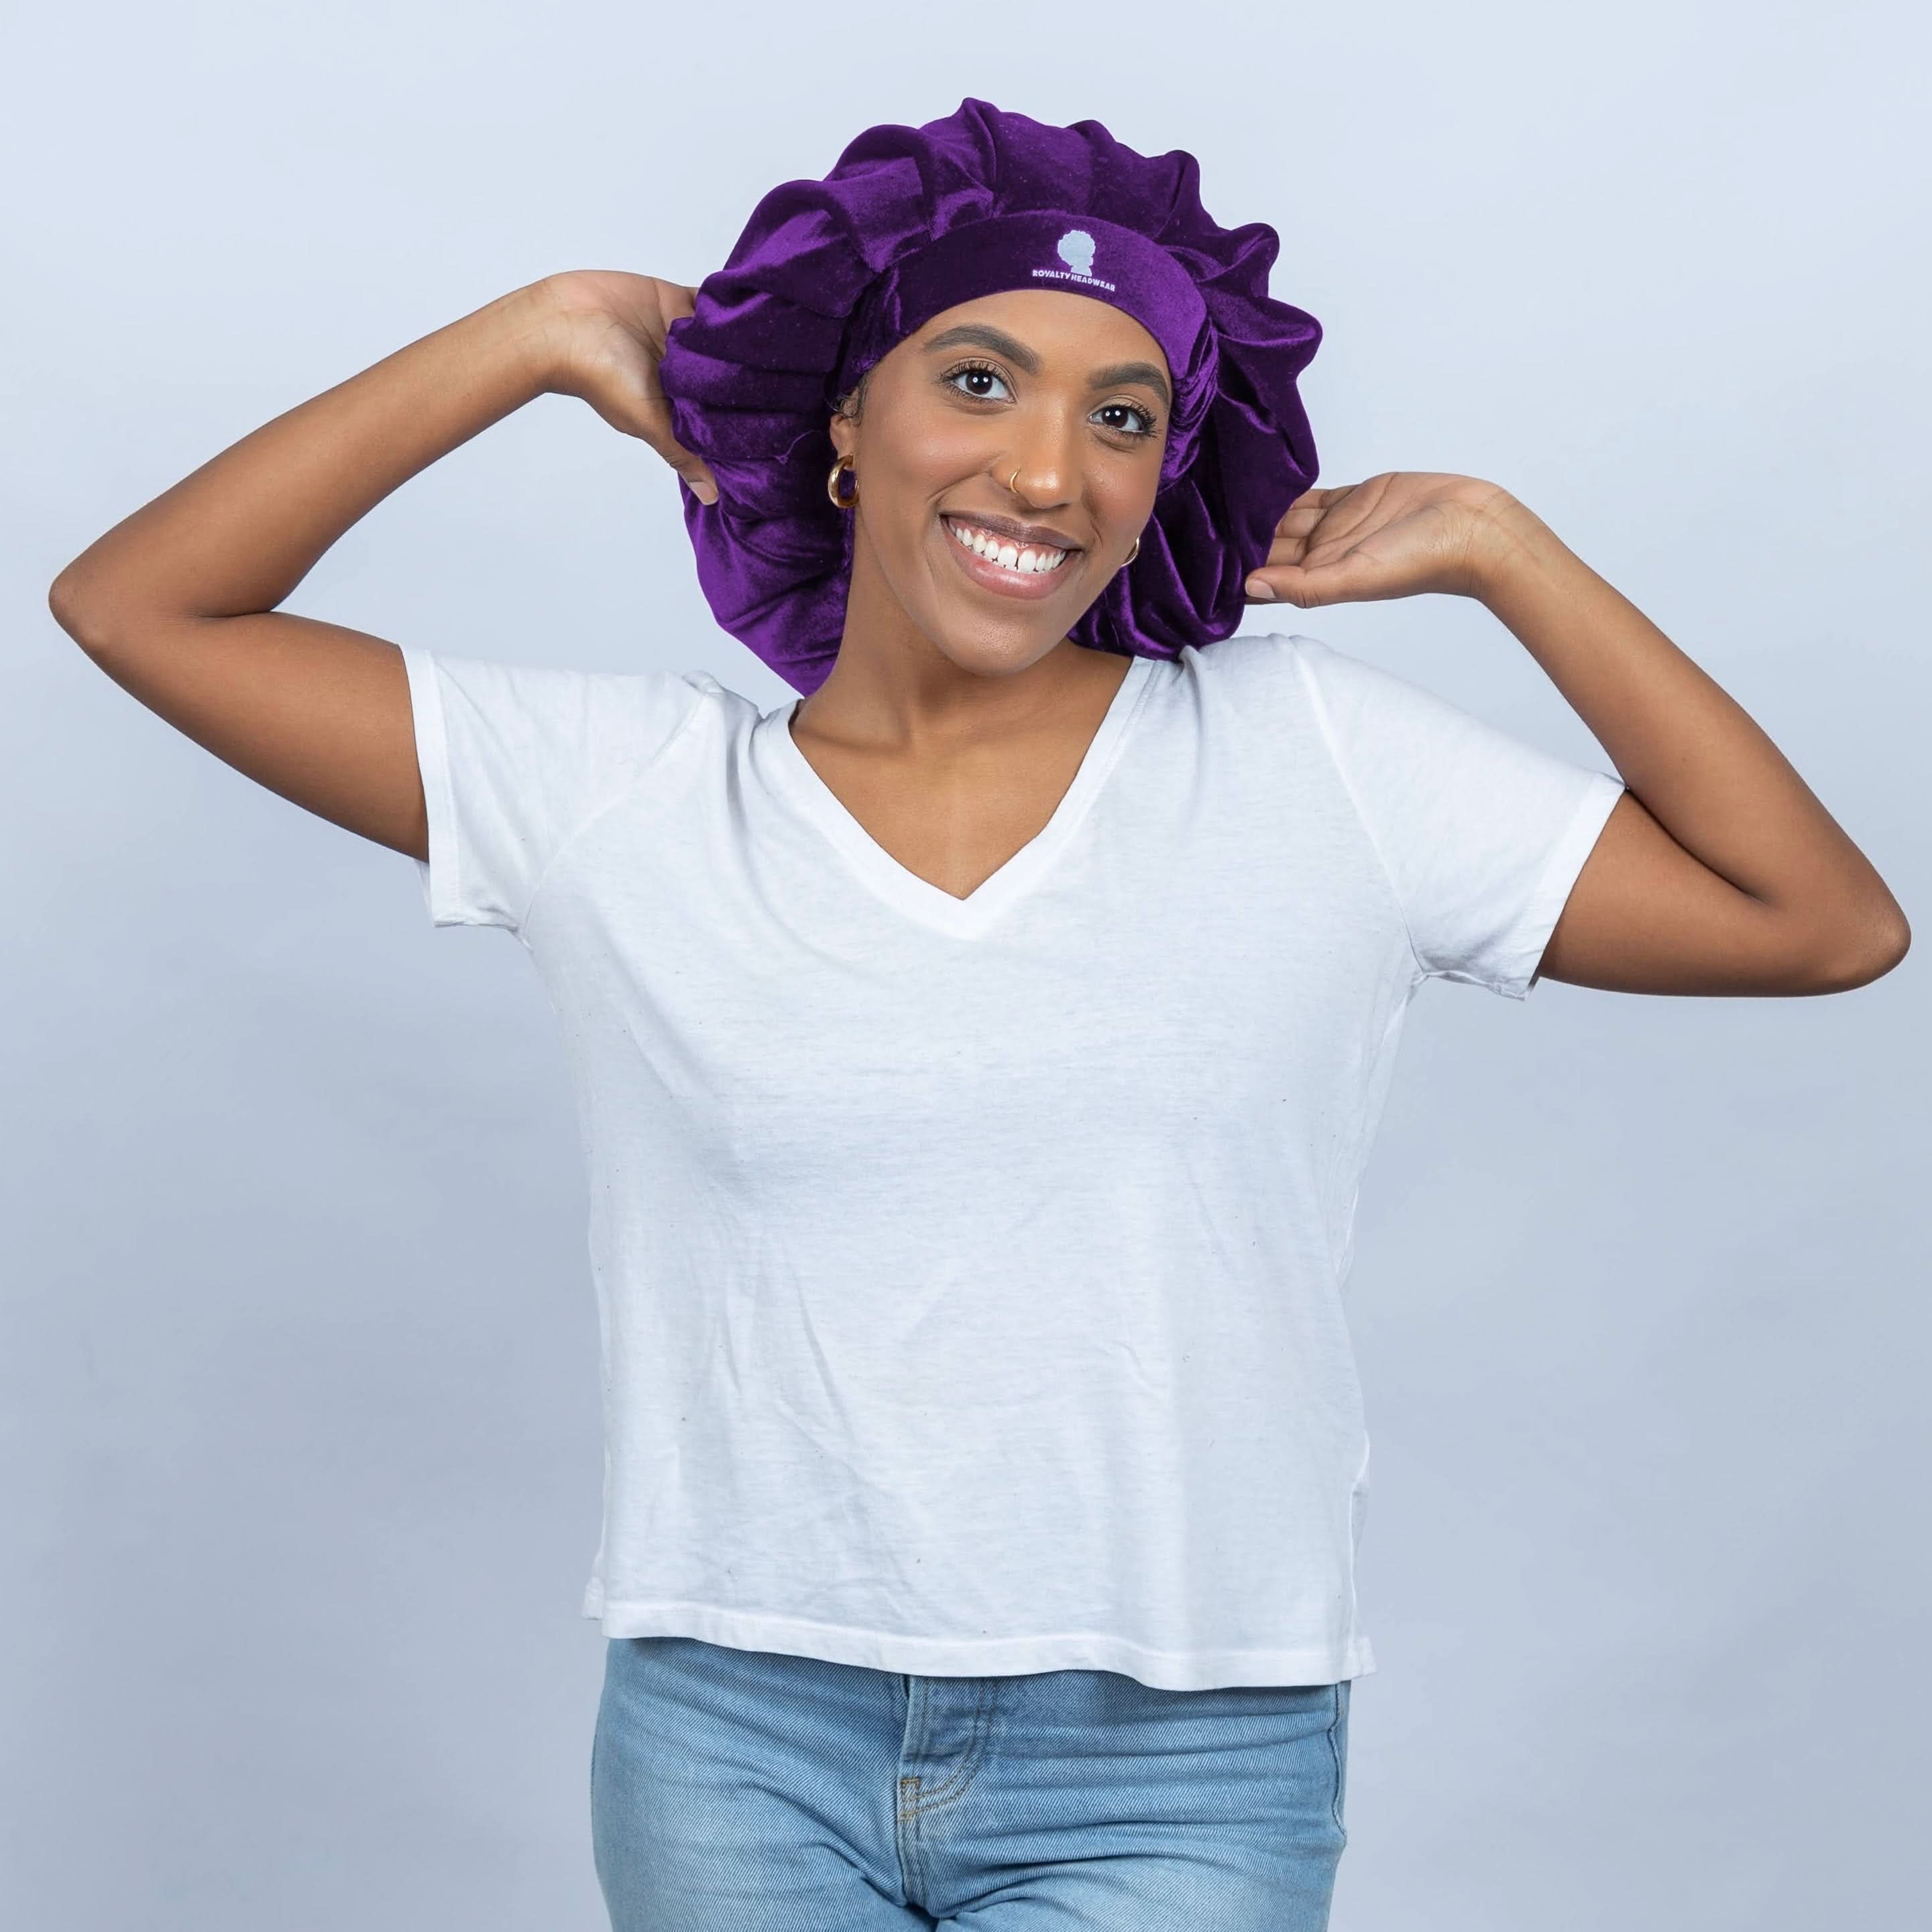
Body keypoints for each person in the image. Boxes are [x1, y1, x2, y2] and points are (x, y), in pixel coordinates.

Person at [48, 97, 1907, 1932]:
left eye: (1123, 419)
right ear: (842, 422)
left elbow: (1815, 920)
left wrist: (1511, 551)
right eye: (977, 380)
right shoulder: (622, 796)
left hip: (1182, 1754)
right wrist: (535, 332)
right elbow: (142, 607)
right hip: (737, 1732)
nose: (1046, 473)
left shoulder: (1305, 759)